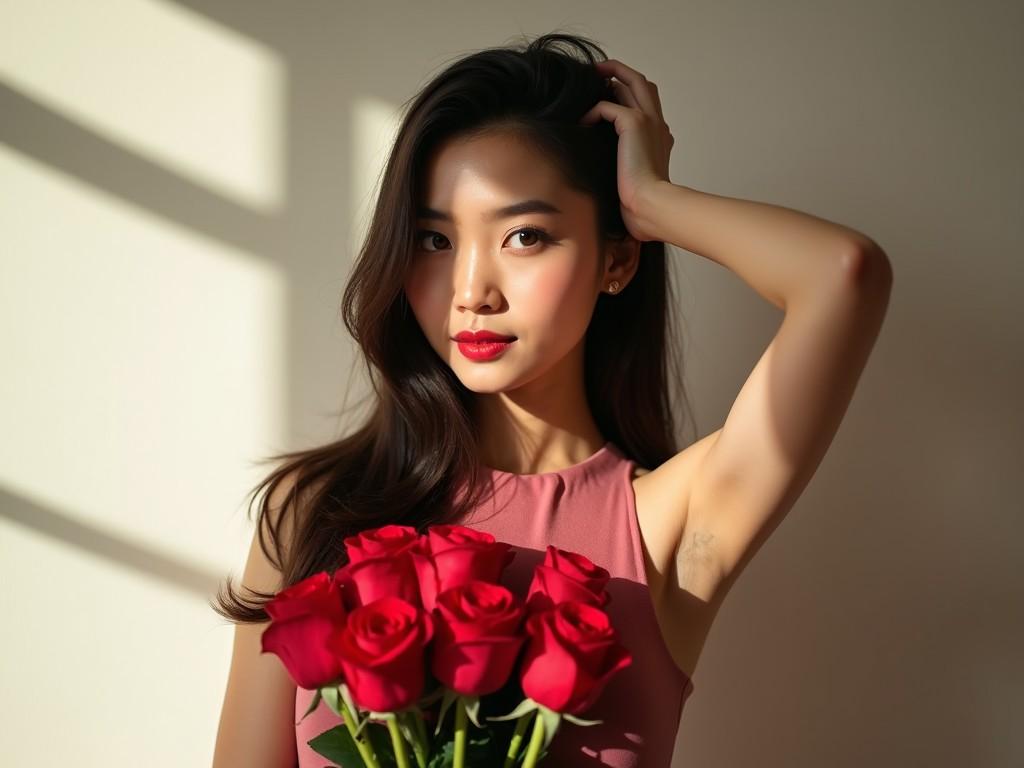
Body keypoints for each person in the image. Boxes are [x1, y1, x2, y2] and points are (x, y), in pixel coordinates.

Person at [210, 31, 892, 768]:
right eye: (435, 241)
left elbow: (843, 274)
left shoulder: (666, 524)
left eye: (525, 235)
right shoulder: (313, 514)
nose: (471, 291)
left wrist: (655, 201)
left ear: (618, 258)